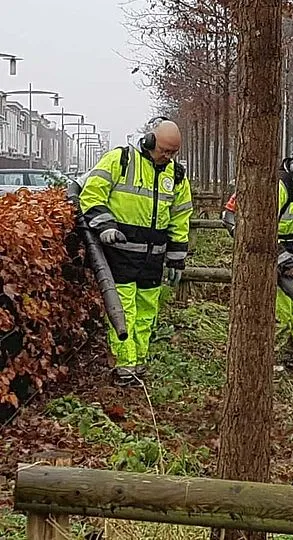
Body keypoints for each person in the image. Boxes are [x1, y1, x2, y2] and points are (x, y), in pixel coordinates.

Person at [79, 117, 193, 387]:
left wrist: (176, 259)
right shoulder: (121, 161)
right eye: (164, 150)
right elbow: (91, 194)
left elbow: (180, 217)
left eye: (173, 153)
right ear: (150, 140)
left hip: (153, 258)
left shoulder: (175, 175)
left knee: (147, 312)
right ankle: (124, 366)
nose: (167, 156)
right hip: (120, 254)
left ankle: (138, 361)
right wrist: (105, 225)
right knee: (124, 311)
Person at [221, 145, 293, 370]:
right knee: (280, 313)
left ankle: (290, 354)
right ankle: (270, 360)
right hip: (272, 252)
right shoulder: (278, 187)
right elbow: (259, 230)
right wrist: (282, 258)